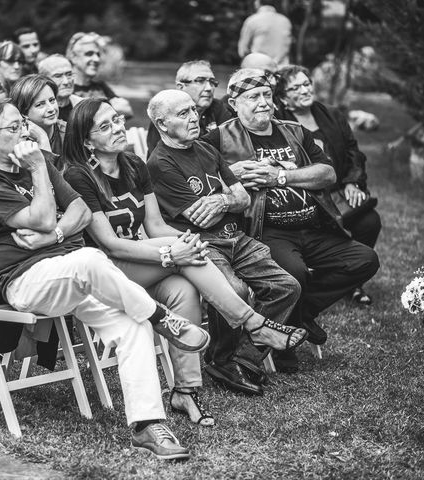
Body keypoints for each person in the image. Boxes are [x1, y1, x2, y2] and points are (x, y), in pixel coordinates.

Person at [0, 96, 210, 460]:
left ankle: (147, 425)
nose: (25, 132)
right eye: (14, 127)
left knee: (132, 324)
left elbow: (79, 211)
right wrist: (37, 173)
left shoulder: (44, 164)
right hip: (27, 282)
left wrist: (53, 235)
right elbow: (45, 217)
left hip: (75, 274)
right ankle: (162, 317)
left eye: (23, 125)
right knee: (91, 258)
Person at [63, 98, 306, 422]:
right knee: (185, 254)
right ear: (87, 141)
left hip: (146, 261)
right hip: (109, 271)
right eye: (105, 127)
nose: (118, 128)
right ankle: (253, 323)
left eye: (117, 120)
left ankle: (185, 392)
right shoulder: (80, 176)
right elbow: (111, 244)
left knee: (185, 289)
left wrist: (181, 245)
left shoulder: (135, 164)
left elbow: (155, 226)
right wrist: (170, 253)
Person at [201, 68, 380, 371]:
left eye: (267, 95)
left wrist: (280, 176)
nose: (263, 103)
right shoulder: (218, 137)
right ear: (234, 103)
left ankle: (300, 315)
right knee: (294, 271)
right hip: (266, 231)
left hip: (312, 225)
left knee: (365, 260)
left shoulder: (294, 130)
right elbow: (198, 181)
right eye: (253, 96)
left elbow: (327, 174)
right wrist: (235, 175)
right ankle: (280, 341)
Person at [147, 89, 302, 391]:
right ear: (162, 125)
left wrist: (221, 201)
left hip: (238, 239)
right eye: (183, 114)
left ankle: (244, 359)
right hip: (203, 243)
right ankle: (221, 359)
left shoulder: (206, 149)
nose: (194, 117)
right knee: (235, 290)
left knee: (287, 286)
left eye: (194, 110)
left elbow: (243, 198)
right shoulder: (160, 163)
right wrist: (226, 199)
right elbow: (200, 217)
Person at [274, 64, 381, 305]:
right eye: (295, 87)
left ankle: (353, 281)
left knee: (369, 221)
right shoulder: (279, 123)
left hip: (340, 193)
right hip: (308, 198)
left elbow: (353, 151)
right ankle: (324, 277)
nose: (304, 90)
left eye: (306, 84)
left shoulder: (331, 114)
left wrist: (353, 182)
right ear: (282, 97)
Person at [146, 60, 233, 157]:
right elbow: (164, 161)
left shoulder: (217, 107)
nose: (209, 88)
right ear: (180, 87)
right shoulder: (166, 115)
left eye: (212, 82)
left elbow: (232, 144)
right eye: (200, 81)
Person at [65, 32, 133, 118]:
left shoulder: (100, 86)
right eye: (89, 54)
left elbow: (127, 110)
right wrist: (109, 107)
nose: (96, 59)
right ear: (74, 57)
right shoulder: (66, 88)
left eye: (98, 54)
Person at [10, 74, 66, 161]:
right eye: (40, 104)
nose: (51, 109)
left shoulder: (69, 132)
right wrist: (42, 138)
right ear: (24, 113)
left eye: (52, 100)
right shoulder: (18, 141)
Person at [238, 0, 292, 66]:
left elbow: (243, 50)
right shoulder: (285, 21)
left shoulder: (252, 20)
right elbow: (286, 46)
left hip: (259, 67)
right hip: (281, 67)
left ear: (257, 3)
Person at [37, 54, 82, 122]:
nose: (66, 82)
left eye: (69, 74)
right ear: (44, 80)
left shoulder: (82, 104)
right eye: (58, 76)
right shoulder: (38, 111)